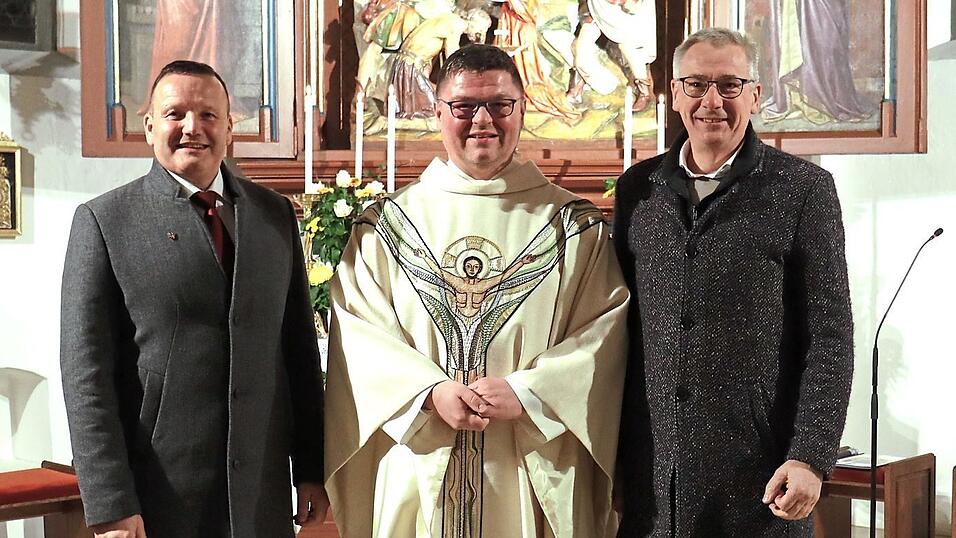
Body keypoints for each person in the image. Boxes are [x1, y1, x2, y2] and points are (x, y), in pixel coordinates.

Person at [325, 43, 628, 537]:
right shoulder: (386, 225)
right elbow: (358, 333)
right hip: (421, 457)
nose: (482, 120)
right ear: (439, 114)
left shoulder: (572, 225)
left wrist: (528, 394)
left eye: (499, 105)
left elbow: (603, 335)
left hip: (528, 462)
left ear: (522, 111)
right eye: (464, 106)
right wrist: (429, 392)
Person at [61, 60, 327, 538]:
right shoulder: (105, 221)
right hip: (160, 490)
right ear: (148, 126)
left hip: (260, 488)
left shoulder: (274, 215)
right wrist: (110, 503)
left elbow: (299, 354)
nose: (192, 128)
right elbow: (86, 376)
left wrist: (310, 468)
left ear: (229, 127)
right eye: (175, 114)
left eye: (208, 115)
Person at [613, 28, 853, 537]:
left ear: (755, 94)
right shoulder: (638, 189)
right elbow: (618, 329)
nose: (712, 102)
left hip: (759, 478)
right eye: (696, 84)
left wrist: (811, 455)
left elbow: (830, 336)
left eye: (729, 84)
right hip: (654, 482)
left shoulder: (803, 189)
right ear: (674, 94)